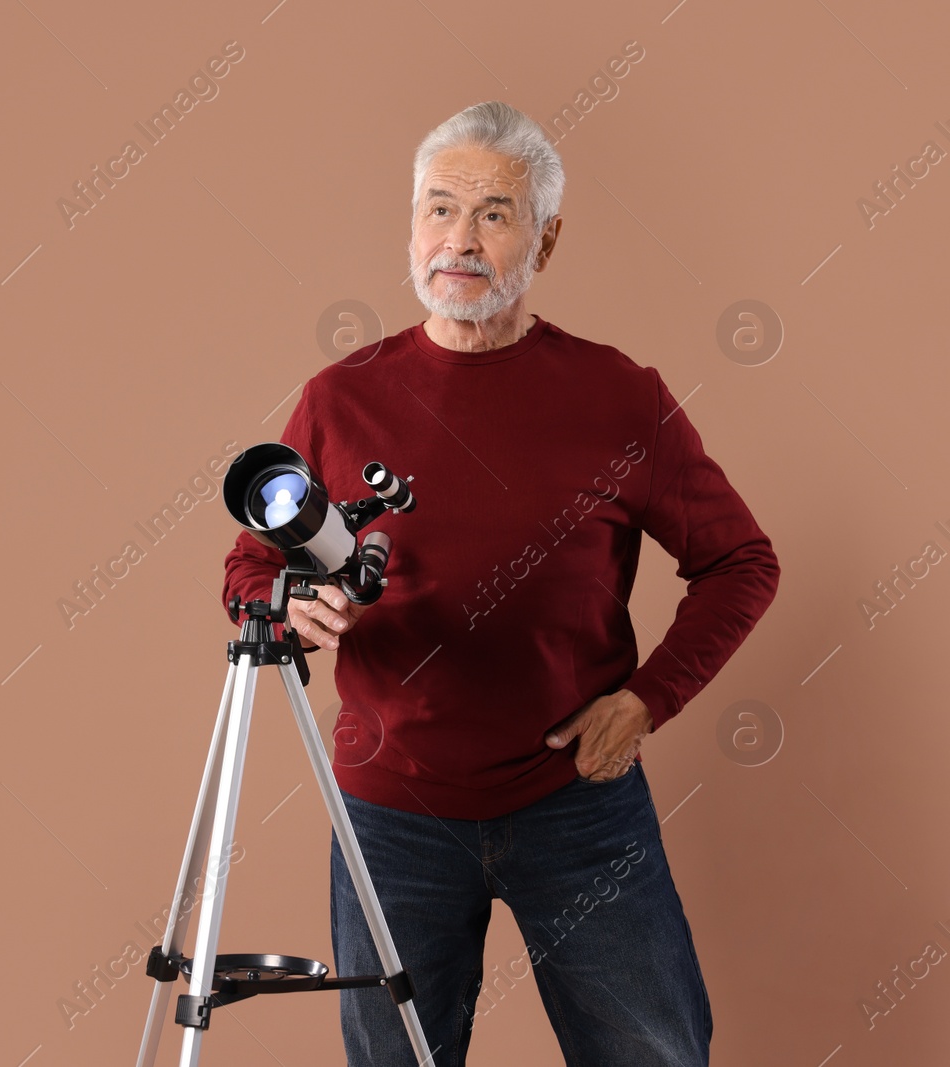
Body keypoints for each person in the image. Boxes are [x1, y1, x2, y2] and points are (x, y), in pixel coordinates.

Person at [220, 100, 779, 1066]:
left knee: (656, 1051)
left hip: (578, 802)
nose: (460, 240)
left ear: (546, 239)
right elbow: (251, 566)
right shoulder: (341, 398)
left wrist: (648, 699)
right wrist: (288, 605)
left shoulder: (618, 395)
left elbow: (741, 562)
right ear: (411, 227)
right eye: (439, 209)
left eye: (493, 213)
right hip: (391, 814)